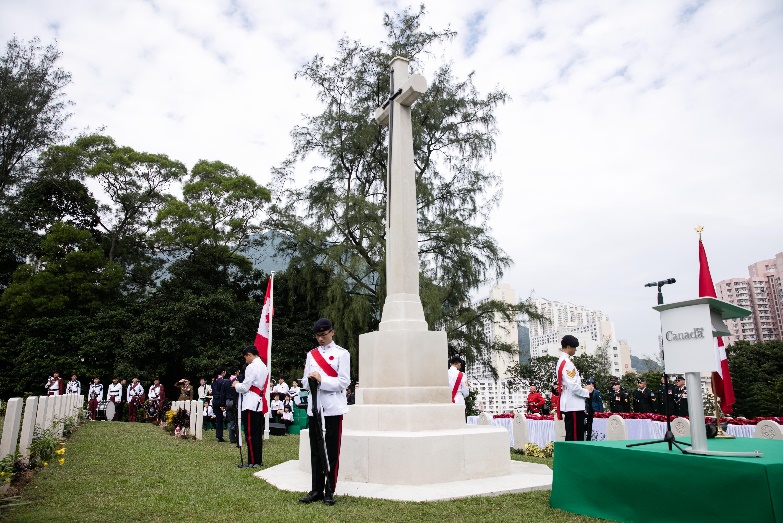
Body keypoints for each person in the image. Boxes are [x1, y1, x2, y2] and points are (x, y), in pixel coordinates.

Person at [299, 318, 350, 506]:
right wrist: (311, 380)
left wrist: (323, 381)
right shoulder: (311, 354)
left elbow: (344, 382)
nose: (320, 339)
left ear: (332, 333)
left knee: (331, 450)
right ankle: (316, 489)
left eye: (324, 335)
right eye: (318, 336)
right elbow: (304, 381)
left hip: (333, 408)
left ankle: (330, 489)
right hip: (315, 408)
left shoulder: (342, 354)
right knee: (316, 451)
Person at [232, 346, 269, 467]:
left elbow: (245, 387)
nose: (245, 361)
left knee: (250, 433)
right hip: (258, 401)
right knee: (257, 433)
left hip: (250, 403)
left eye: (245, 357)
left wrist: (236, 385)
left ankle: (252, 461)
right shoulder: (263, 366)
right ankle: (257, 459)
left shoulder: (252, 367)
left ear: (249, 354)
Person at [556, 335, 590, 441]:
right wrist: (587, 391)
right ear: (569, 346)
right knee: (575, 437)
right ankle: (574, 457)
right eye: (574, 347)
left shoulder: (562, 361)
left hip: (570, 403)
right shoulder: (567, 363)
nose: (575, 350)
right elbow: (573, 386)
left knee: (572, 434)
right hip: (574, 404)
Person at [211, 369, 228, 442]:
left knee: (218, 419)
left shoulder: (214, 381)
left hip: (215, 400)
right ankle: (220, 436)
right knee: (220, 419)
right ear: (223, 372)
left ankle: (218, 435)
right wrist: (223, 404)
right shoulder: (222, 381)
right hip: (220, 401)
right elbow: (222, 393)